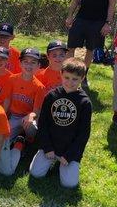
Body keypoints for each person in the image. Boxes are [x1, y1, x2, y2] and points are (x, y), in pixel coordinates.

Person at [29, 57, 92, 188]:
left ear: (82, 78)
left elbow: (83, 134)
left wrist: (70, 155)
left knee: (69, 184)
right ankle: (51, 159)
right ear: (61, 75)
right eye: (67, 77)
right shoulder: (51, 96)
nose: (70, 82)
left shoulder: (85, 102)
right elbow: (43, 124)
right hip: (50, 146)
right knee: (35, 173)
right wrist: (47, 148)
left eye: (75, 79)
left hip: (69, 150)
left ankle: (63, 163)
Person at [6, 48, 45, 142]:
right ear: (20, 63)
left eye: (33, 62)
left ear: (38, 65)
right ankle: (19, 141)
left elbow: (36, 111)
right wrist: (4, 116)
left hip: (27, 118)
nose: (29, 65)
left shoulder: (39, 87)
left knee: (31, 127)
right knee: (4, 138)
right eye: (25, 61)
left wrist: (30, 116)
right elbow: (7, 100)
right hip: (14, 116)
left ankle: (28, 142)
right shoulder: (12, 79)